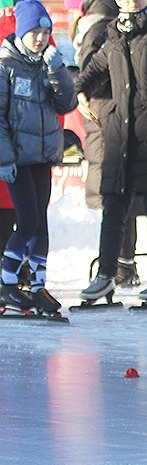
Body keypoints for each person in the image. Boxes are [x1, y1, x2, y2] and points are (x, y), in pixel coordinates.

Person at [75, 0, 147, 304]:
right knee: (113, 205)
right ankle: (106, 275)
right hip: (120, 135)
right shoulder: (114, 34)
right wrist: (80, 90)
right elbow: (95, 69)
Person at [0, 0, 77, 313]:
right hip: (17, 159)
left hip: (42, 157)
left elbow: (66, 103)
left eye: (45, 31)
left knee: (40, 223)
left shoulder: (47, 62)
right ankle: (7, 283)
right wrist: (5, 159)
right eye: (34, 32)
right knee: (28, 221)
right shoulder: (6, 66)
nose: (41, 38)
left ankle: (38, 286)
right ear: (22, 32)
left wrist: (57, 68)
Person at [73, 0, 143, 289]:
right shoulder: (106, 28)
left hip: (109, 117)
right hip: (108, 118)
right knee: (118, 193)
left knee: (120, 193)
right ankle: (118, 264)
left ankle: (120, 264)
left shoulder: (97, 26)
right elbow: (94, 75)